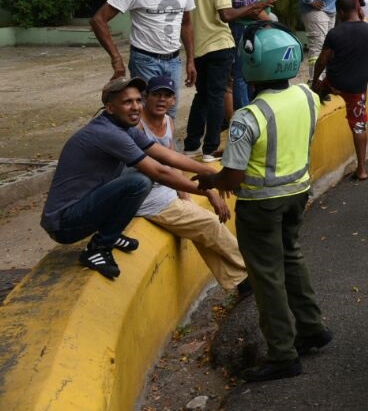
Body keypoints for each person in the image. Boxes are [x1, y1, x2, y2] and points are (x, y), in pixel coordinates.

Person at [197, 26, 331, 383]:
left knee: (267, 276)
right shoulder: (307, 96)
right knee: (291, 257)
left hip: (261, 205)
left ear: (254, 64)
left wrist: (210, 180)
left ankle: (282, 354)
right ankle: (312, 327)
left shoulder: (248, 116)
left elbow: (232, 179)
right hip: (297, 195)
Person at [41, 77, 219, 280]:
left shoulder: (125, 128)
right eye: (127, 102)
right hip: (65, 223)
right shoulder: (109, 133)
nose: (136, 107)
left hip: (84, 209)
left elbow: (168, 156)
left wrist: (211, 173)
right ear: (110, 108)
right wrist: (206, 191)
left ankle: (111, 233)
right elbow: (160, 172)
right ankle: (99, 248)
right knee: (140, 181)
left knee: (138, 178)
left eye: (138, 100)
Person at [133, 75, 247, 293]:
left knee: (202, 228)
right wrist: (208, 192)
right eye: (156, 95)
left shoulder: (168, 122)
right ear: (145, 98)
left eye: (167, 95)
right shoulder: (137, 127)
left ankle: (238, 280)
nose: (161, 100)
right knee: (210, 224)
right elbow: (162, 171)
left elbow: (174, 164)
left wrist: (186, 197)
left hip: (165, 190)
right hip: (149, 198)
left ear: (174, 100)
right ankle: (251, 272)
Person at [182, 0, 276, 160]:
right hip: (219, 43)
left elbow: (185, 19)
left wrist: (190, 56)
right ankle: (210, 148)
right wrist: (256, 6)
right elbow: (226, 14)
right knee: (217, 95)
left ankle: (191, 144)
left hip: (197, 45)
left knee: (202, 95)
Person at [90, 0, 196, 104]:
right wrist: (116, 59)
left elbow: (186, 24)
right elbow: (98, 20)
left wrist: (190, 60)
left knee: (169, 109)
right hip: (145, 60)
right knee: (148, 109)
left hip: (174, 60)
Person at [312, 0, 368, 181]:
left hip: (335, 83)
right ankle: (361, 169)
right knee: (359, 125)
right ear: (357, 8)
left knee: (317, 93)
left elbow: (322, 60)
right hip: (357, 88)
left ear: (340, 12)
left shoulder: (335, 33)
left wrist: (315, 81)